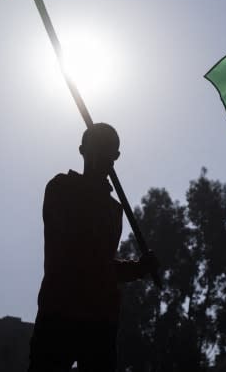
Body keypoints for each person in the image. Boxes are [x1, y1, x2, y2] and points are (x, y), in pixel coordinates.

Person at [28, 123, 158, 372]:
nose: (103, 154)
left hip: (101, 321)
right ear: (82, 150)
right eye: (98, 147)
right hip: (59, 312)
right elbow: (76, 252)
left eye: (109, 149)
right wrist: (134, 269)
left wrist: (139, 269)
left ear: (116, 156)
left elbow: (102, 265)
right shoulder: (61, 188)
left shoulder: (114, 209)